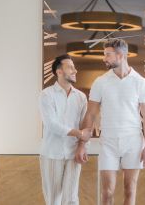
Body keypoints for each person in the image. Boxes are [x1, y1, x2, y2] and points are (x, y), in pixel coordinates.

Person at [75, 38, 145, 205]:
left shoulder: (141, 83)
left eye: (107, 55)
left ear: (120, 56)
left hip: (133, 141)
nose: (104, 59)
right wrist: (82, 144)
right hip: (108, 142)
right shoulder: (100, 82)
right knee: (107, 192)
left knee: (129, 189)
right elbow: (90, 114)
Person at [39, 54, 91, 205]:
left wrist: (83, 147)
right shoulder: (46, 95)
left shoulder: (81, 97)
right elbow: (51, 124)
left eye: (74, 67)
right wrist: (79, 133)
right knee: (53, 200)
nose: (75, 71)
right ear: (59, 71)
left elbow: (84, 126)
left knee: (71, 199)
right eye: (70, 67)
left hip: (74, 153)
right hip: (51, 153)